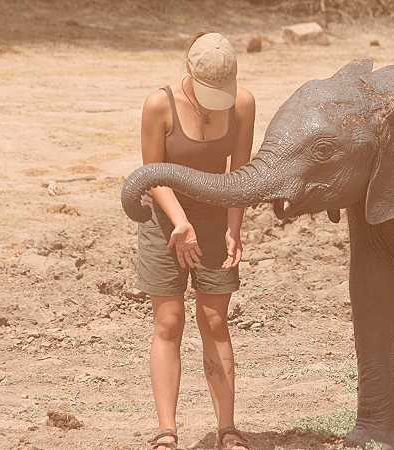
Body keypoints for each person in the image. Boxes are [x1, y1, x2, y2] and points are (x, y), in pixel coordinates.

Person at [136, 32, 254, 450]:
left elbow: (241, 172)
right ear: (189, 72)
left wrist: (234, 227)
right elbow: (151, 176)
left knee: (215, 321)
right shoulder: (159, 105)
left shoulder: (241, 103)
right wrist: (179, 223)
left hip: (215, 218)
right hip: (165, 222)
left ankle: (228, 429)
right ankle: (167, 432)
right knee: (169, 322)